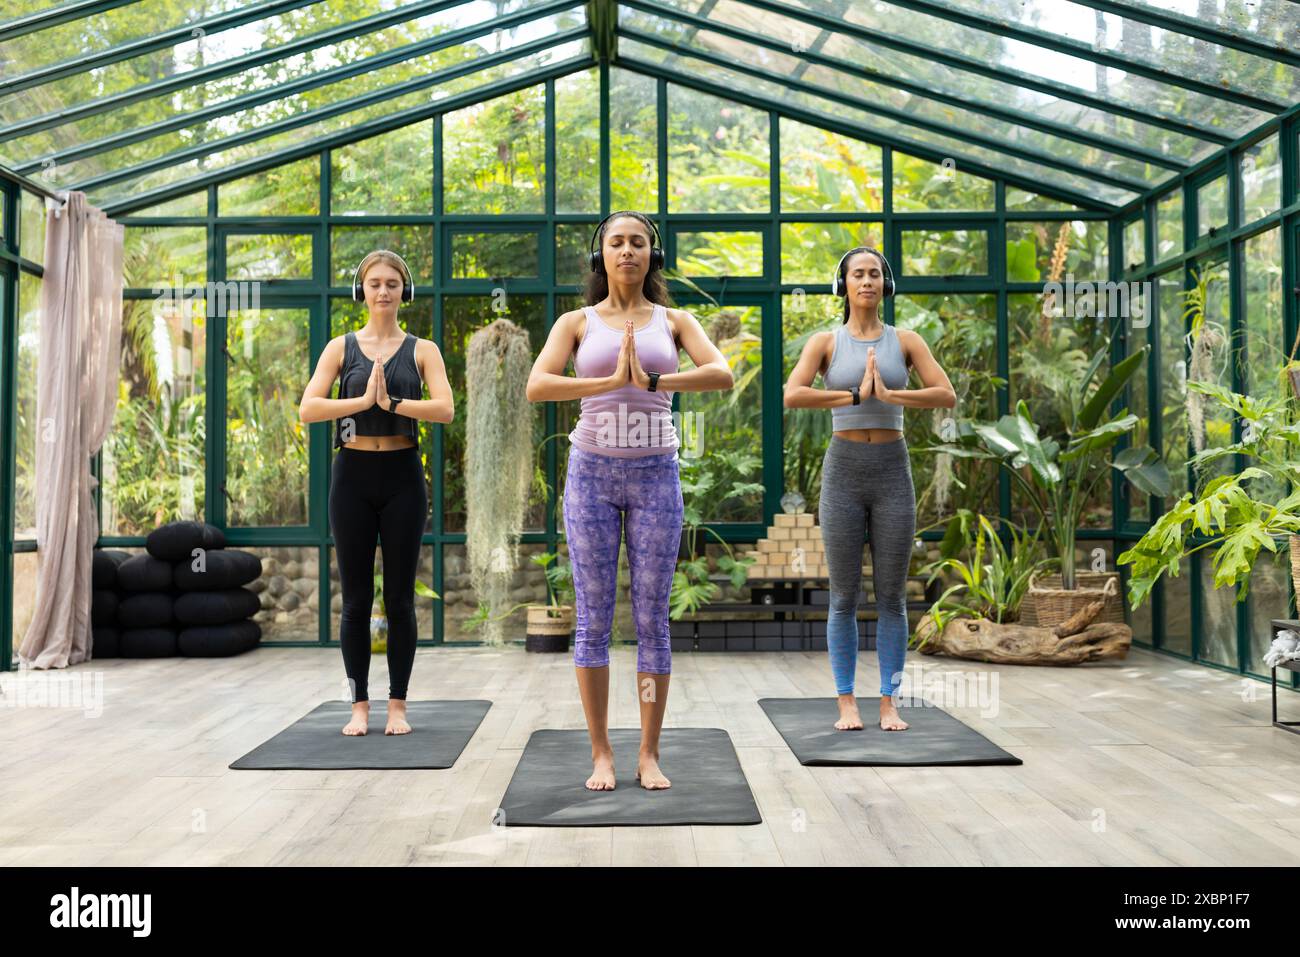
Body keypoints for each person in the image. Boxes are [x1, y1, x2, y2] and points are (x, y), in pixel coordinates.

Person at [526, 211, 733, 790]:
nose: (626, 251)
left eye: (637, 243)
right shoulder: (577, 322)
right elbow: (537, 385)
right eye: (616, 242)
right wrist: (606, 382)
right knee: (592, 620)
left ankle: (647, 752)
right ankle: (601, 753)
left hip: (655, 476)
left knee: (651, 622)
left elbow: (721, 374)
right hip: (591, 474)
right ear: (602, 256)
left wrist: (655, 383)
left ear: (652, 255)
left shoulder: (674, 321)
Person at [783, 246, 955, 732]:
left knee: (893, 597)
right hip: (843, 471)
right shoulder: (825, 342)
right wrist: (855, 395)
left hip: (891, 470)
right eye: (857, 274)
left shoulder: (907, 341)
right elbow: (793, 394)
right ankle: (845, 702)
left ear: (886, 284)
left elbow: (946, 393)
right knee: (843, 596)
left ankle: (888, 701)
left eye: (874, 274)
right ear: (843, 285)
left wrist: (891, 395)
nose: (866, 281)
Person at [299, 250, 453, 736]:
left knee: (401, 598)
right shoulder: (341, 348)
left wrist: (395, 403)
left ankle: (398, 705)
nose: (382, 291)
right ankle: (359, 705)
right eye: (374, 283)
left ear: (404, 292)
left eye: (391, 283)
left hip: (404, 474)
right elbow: (308, 408)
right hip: (353, 476)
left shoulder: (423, 349)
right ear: (360, 291)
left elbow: (445, 409)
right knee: (357, 600)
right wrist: (365, 402)